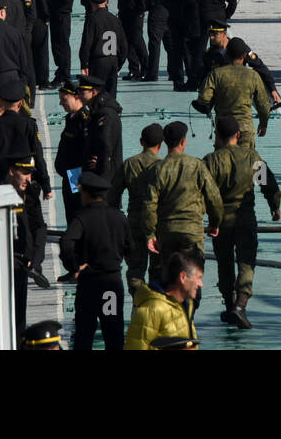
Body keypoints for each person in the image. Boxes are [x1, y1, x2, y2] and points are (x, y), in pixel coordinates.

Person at [203, 116, 281, 329]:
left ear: (218, 136)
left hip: (220, 221)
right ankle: (241, 305)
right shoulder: (251, 156)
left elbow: (202, 191)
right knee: (246, 261)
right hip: (245, 217)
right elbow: (268, 182)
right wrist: (275, 206)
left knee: (224, 262)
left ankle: (229, 305)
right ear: (238, 135)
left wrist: (208, 217)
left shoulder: (210, 160)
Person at [60, 171, 132, 351]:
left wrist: (74, 266)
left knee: (84, 334)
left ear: (87, 194)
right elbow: (131, 248)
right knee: (113, 335)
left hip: (89, 284)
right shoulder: (119, 217)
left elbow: (66, 242)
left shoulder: (82, 217)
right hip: (112, 284)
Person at [143, 121, 223, 271]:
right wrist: (215, 222)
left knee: (167, 276)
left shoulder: (158, 168)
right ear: (183, 141)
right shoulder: (197, 165)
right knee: (193, 273)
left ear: (165, 142)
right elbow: (214, 197)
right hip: (192, 229)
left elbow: (149, 204)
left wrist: (150, 233)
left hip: (167, 231)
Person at [107, 123, 164, 292]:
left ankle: (139, 301)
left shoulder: (129, 164)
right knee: (158, 270)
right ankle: (155, 306)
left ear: (141, 141)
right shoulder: (163, 165)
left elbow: (113, 194)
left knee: (135, 270)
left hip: (134, 222)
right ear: (161, 144)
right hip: (157, 224)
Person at [0, 78, 51, 194]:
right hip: (24, 183)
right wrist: (46, 185)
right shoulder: (29, 125)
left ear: (1, 102)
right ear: (20, 103)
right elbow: (38, 156)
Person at [197, 37, 271, 150]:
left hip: (224, 128)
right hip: (245, 128)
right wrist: (263, 124)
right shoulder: (253, 76)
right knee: (246, 163)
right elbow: (264, 105)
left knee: (222, 163)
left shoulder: (216, 74)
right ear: (244, 56)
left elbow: (204, 98)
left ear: (227, 55)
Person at [124, 249, 203, 350]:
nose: (201, 284)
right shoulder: (152, 310)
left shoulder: (187, 305)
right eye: (198, 277)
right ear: (183, 277)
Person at [8, 154, 47, 340]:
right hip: (2, 260)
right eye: (24, 173)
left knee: (18, 314)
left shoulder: (30, 193)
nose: (29, 179)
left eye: (31, 174)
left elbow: (39, 225)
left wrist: (36, 260)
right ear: (11, 171)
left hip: (22, 261)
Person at [54, 81, 104, 223]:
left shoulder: (85, 120)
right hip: (69, 174)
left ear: (76, 97)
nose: (61, 104)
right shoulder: (71, 118)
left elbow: (91, 147)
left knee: (77, 213)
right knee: (70, 213)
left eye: (64, 100)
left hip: (77, 174)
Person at [201, 24, 280, 103]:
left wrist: (272, 89)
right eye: (210, 34)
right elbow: (206, 77)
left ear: (224, 34)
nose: (211, 37)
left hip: (241, 84)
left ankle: (268, 102)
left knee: (255, 77)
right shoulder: (210, 54)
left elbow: (259, 66)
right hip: (223, 90)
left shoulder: (238, 46)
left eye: (215, 34)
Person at [188, 0, 237, 74]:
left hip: (203, 18)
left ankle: (197, 76)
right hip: (220, 18)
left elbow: (190, 0)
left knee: (200, 49)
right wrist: (226, 15)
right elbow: (233, 2)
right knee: (220, 47)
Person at [79, 0, 127, 96]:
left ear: (92, 3)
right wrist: (119, 64)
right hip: (113, 60)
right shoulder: (115, 19)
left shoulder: (92, 19)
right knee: (111, 94)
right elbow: (123, 45)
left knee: (96, 94)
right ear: (106, 1)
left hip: (98, 61)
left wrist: (84, 64)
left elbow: (87, 43)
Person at [111, 0, 150, 81]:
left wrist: (140, 11)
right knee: (127, 42)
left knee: (137, 41)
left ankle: (146, 68)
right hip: (124, 12)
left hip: (135, 13)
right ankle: (134, 70)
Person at [76, 75, 122, 179]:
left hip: (104, 175)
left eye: (82, 93)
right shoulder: (96, 110)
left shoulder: (104, 114)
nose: (79, 96)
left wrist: (101, 164)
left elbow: (105, 143)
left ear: (94, 92)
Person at [166, 0, 198, 91]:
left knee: (185, 51)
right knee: (178, 52)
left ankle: (189, 80)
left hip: (183, 22)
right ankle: (178, 81)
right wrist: (176, 11)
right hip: (176, 23)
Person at [43, 0, 73, 86]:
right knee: (57, 47)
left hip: (62, 17)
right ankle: (61, 72)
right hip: (57, 16)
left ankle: (64, 75)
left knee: (62, 47)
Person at [143, 0, 172, 82]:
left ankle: (152, 73)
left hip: (157, 14)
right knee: (170, 46)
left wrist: (148, 6)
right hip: (170, 13)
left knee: (154, 45)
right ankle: (174, 72)